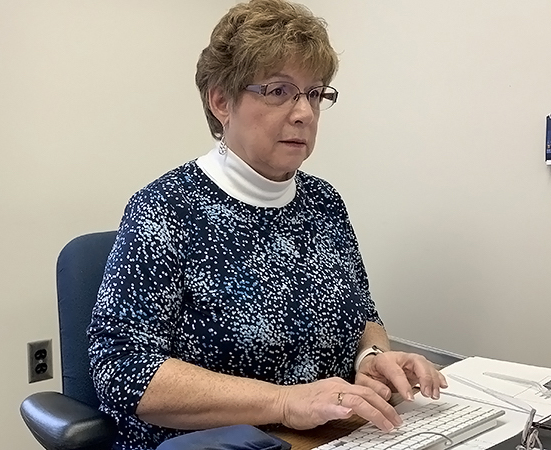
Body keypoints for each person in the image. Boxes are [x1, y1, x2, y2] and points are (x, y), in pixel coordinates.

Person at [88, 1, 448, 449]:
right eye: (279, 91)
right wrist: (284, 402)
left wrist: (371, 356)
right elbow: (122, 369)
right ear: (221, 100)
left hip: (333, 436)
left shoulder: (323, 202)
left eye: (315, 93)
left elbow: (362, 316)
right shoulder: (165, 209)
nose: (305, 113)